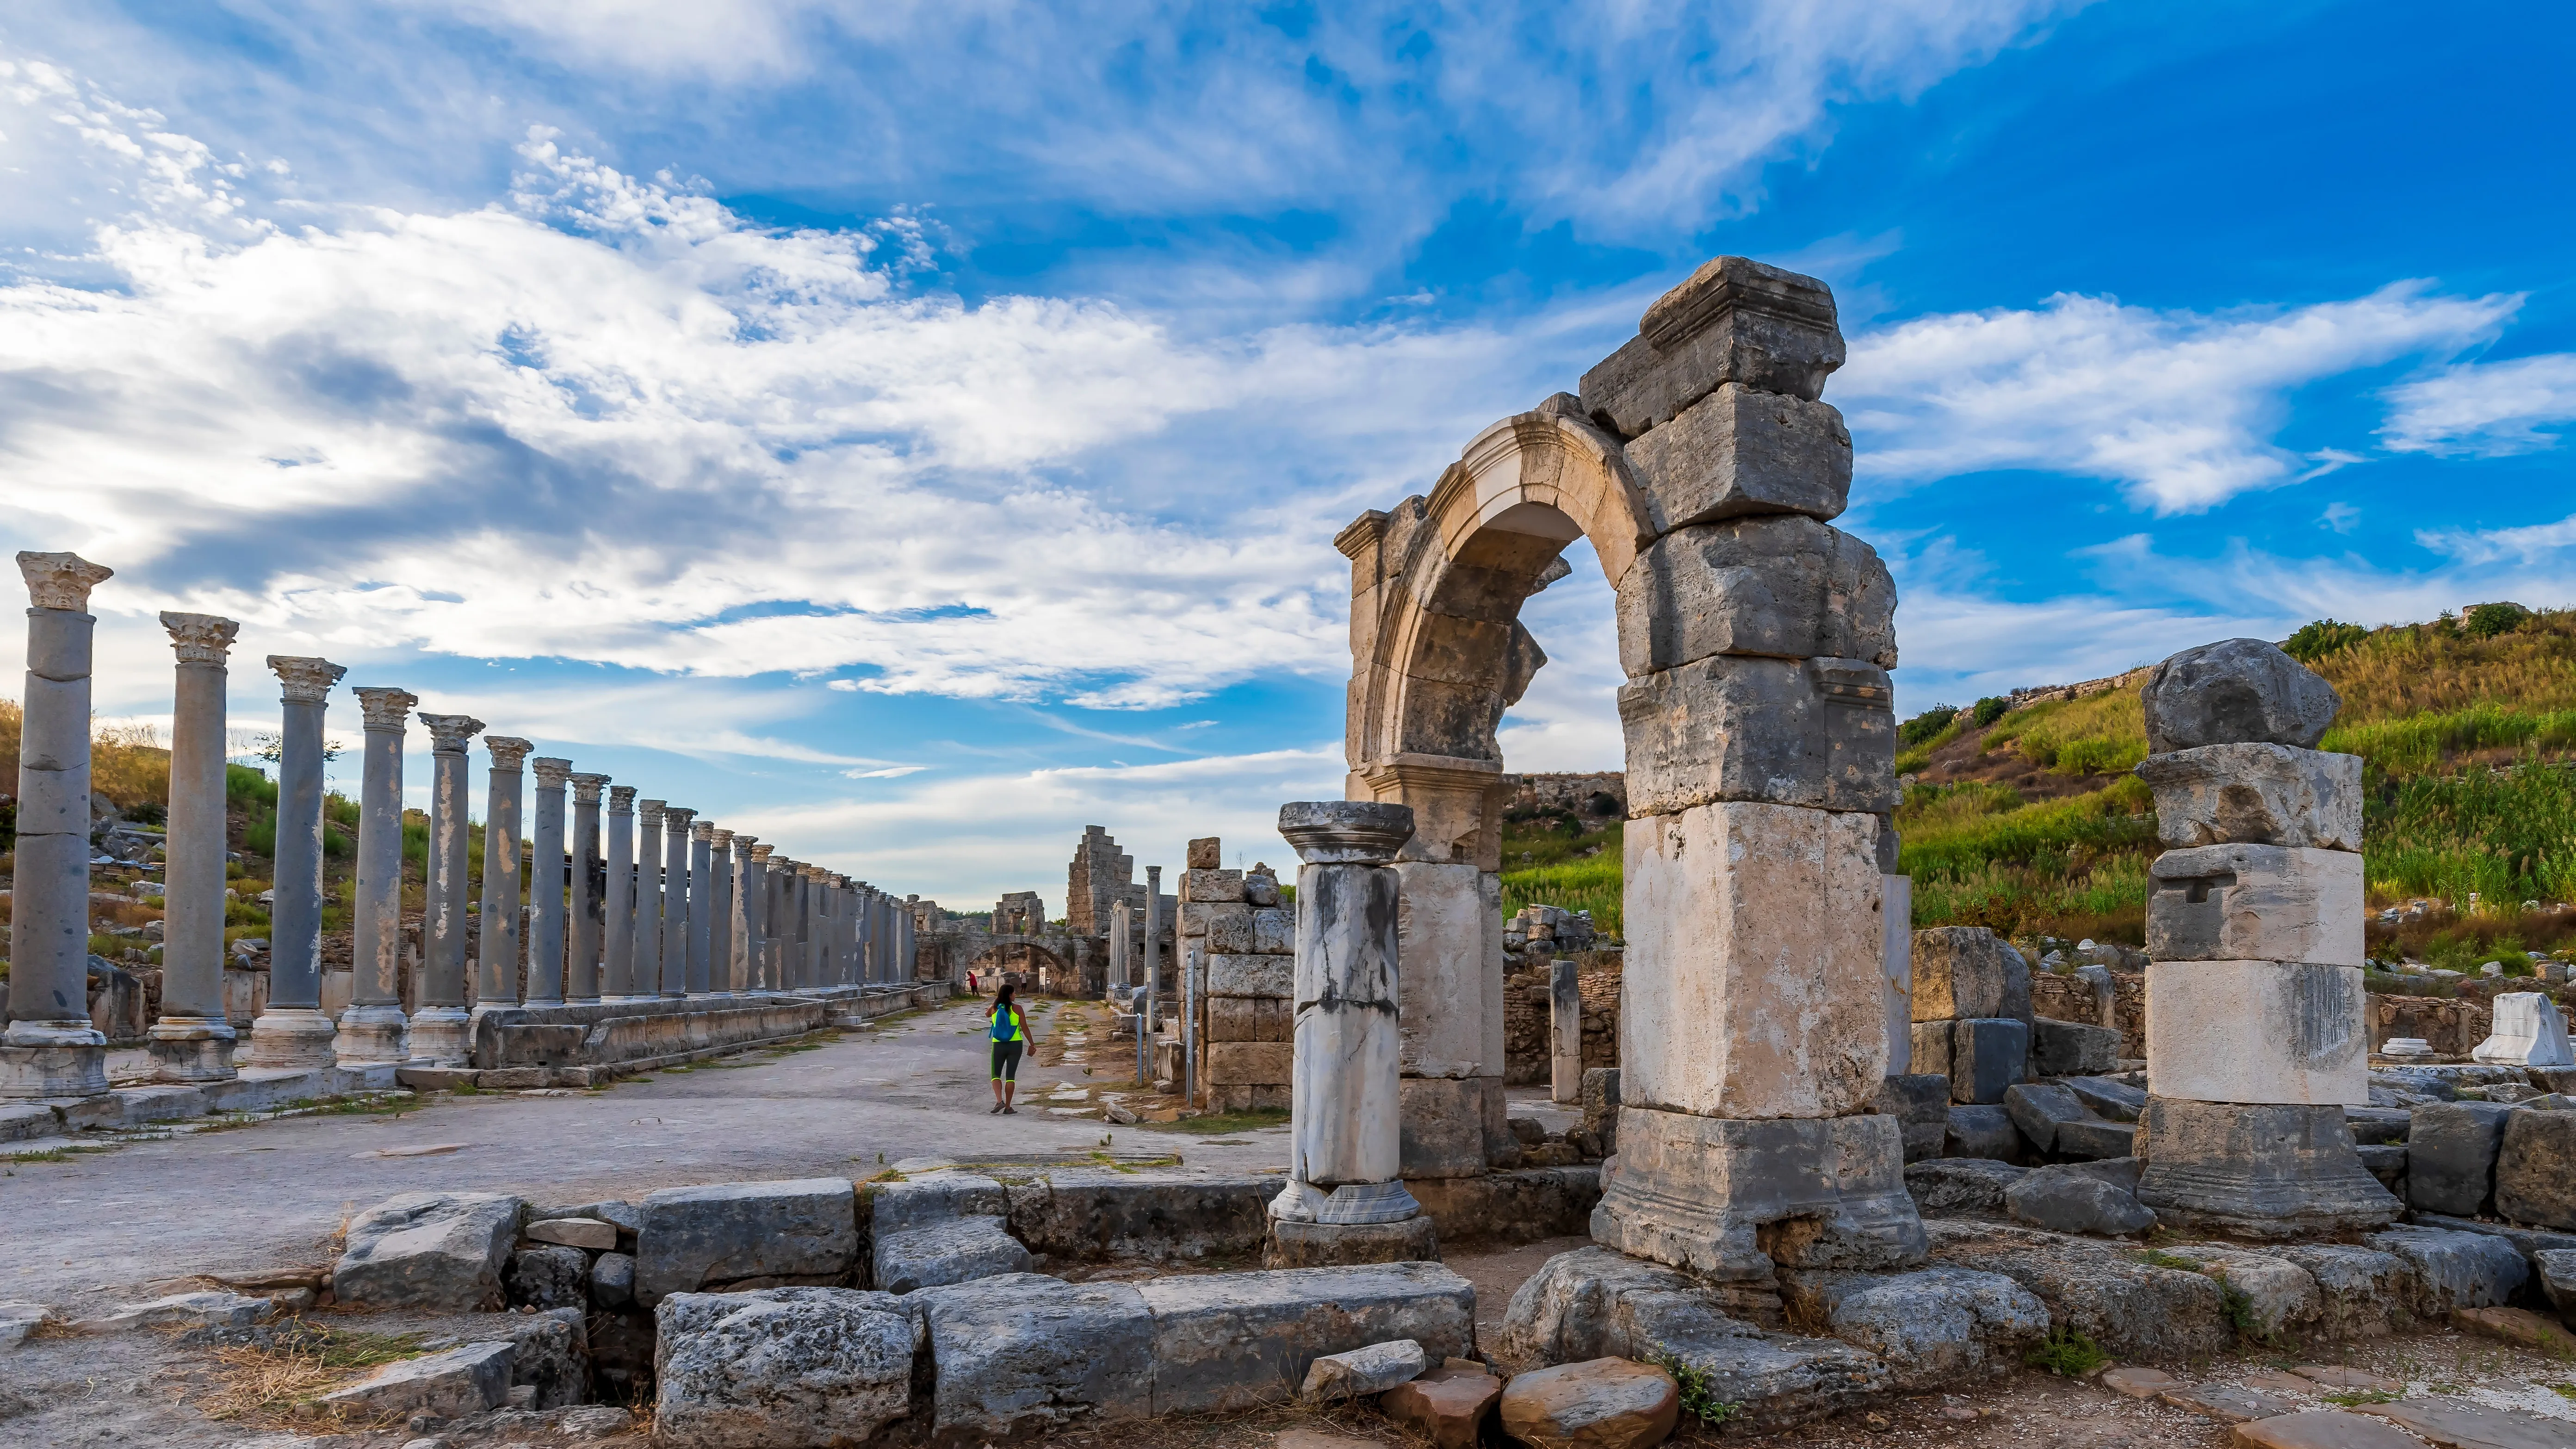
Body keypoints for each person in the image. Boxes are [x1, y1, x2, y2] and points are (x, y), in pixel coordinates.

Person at [988, 983, 1028, 1114]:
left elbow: (986, 1014)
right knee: (1010, 1077)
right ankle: (1008, 1107)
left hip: (998, 1044)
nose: (1015, 995)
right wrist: (1032, 1044)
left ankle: (999, 1101)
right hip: (1015, 1044)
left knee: (995, 1075)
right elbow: (1025, 1028)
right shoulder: (1018, 1009)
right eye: (1014, 993)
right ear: (1010, 995)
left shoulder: (994, 1008)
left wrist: (996, 1003)